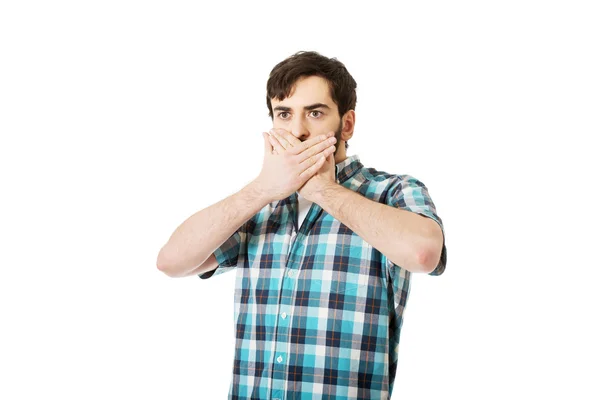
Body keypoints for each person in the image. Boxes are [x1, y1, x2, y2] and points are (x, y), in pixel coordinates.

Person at [157, 50, 447, 400]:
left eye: (315, 113)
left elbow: (424, 253)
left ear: (347, 124)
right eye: (284, 114)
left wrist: (323, 189)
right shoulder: (263, 204)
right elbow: (172, 261)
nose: (297, 130)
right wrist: (264, 188)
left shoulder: (392, 191)